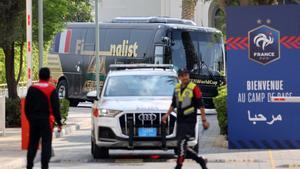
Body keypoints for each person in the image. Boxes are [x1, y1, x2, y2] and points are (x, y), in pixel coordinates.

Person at [162, 68, 209, 169]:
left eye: (186, 75)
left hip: (190, 122)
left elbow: (201, 105)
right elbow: (173, 104)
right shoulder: (177, 88)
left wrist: (204, 120)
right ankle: (200, 160)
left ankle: (179, 166)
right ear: (179, 77)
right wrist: (166, 115)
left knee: (182, 143)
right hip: (180, 121)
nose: (185, 77)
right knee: (181, 145)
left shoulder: (194, 88)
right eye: (182, 76)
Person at [25, 67, 62, 169]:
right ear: (49, 77)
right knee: (46, 144)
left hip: (34, 120)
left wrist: (30, 119)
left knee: (32, 144)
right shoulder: (51, 90)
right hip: (46, 121)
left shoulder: (32, 89)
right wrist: (59, 122)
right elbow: (56, 108)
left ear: (39, 76)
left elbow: (27, 107)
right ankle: (44, 166)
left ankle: (29, 165)